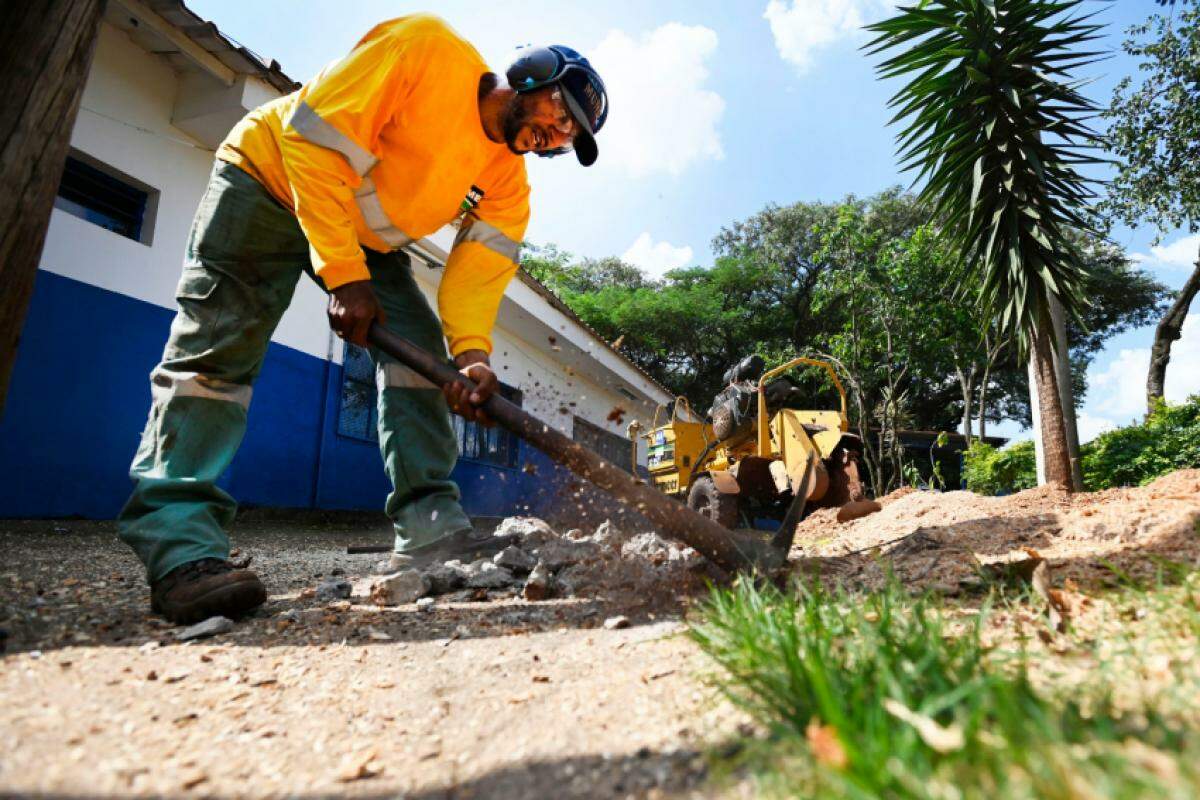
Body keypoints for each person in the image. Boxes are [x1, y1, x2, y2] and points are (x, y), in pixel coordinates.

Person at [115, 13, 609, 624]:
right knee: (216, 353)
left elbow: (476, 277)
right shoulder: (426, 50)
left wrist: (474, 356)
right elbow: (310, 141)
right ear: (532, 75)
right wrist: (345, 276)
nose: (555, 139)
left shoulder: (507, 181)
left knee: (420, 357)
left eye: (566, 141)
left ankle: (431, 528)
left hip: (362, 239)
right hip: (266, 179)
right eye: (560, 118)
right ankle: (181, 547)